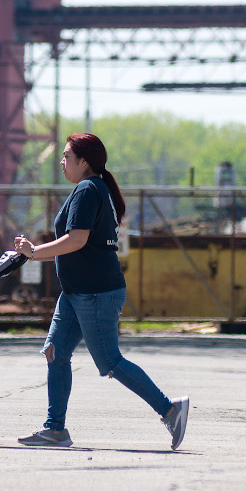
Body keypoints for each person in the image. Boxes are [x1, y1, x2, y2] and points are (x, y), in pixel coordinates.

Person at [13, 133, 189, 449]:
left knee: (109, 361)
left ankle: (170, 410)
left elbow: (77, 240)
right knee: (55, 351)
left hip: (95, 293)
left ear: (85, 162)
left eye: (67, 156)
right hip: (76, 293)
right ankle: (55, 429)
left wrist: (34, 252)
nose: (63, 162)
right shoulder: (94, 188)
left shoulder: (87, 189)